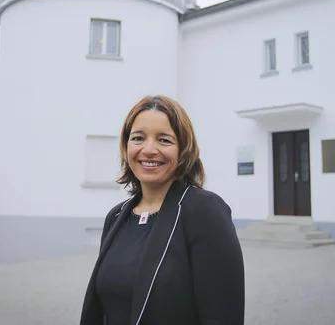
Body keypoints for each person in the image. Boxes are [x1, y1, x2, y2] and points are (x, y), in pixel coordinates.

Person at [80, 95, 245, 325]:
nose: (149, 149)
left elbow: (223, 316)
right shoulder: (117, 216)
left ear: (184, 148)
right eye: (138, 138)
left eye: (164, 140)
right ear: (126, 146)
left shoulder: (205, 212)